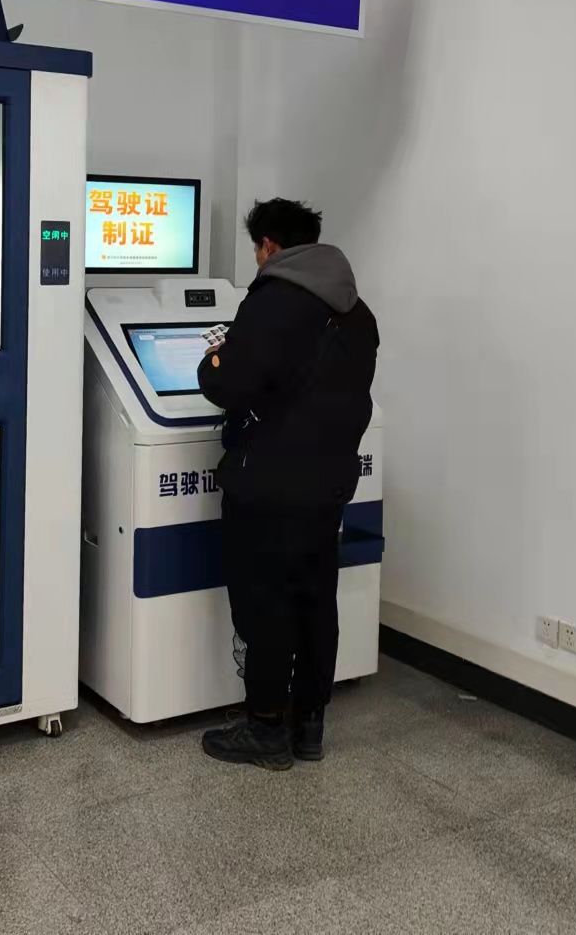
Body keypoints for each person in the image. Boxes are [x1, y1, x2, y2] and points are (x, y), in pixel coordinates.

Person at [196, 198, 378, 770]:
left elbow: (229, 384)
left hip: (268, 484)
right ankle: (309, 725)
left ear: (270, 246)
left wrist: (213, 361)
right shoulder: (357, 311)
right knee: (315, 598)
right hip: (328, 484)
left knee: (265, 602)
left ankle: (265, 728)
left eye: (257, 249)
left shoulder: (272, 302)